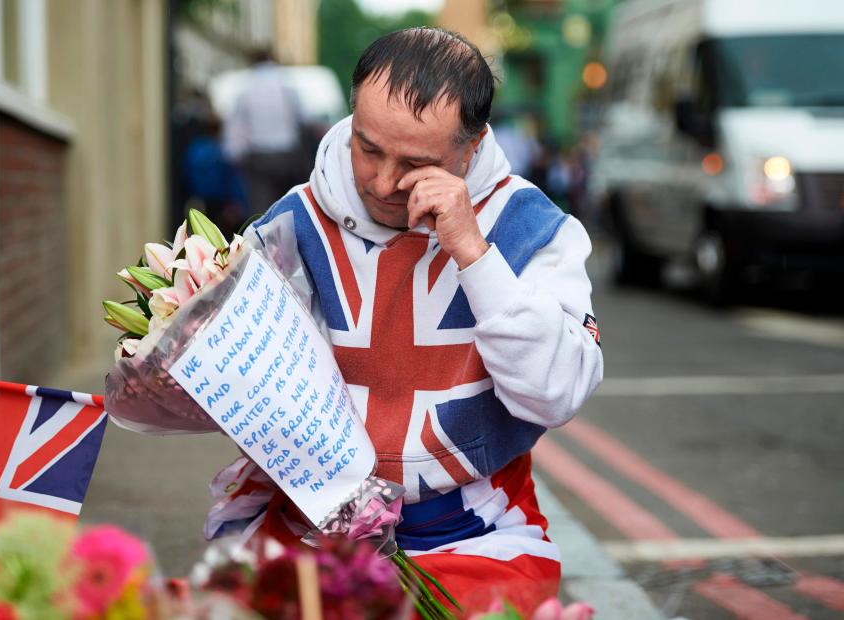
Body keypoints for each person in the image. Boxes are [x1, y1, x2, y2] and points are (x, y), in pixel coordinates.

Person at [207, 28, 603, 614]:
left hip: (476, 532)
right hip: (309, 530)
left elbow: (557, 393)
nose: (384, 183)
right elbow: (241, 388)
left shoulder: (533, 228)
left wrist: (473, 252)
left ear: (473, 148)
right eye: (367, 148)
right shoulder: (290, 223)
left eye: (416, 163)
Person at [222, 48, 307, 215]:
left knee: (260, 208)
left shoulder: (246, 88)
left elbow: (236, 127)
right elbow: (304, 117)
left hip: (258, 155)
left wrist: (233, 155)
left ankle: (262, 239)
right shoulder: (286, 84)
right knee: (288, 207)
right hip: (286, 154)